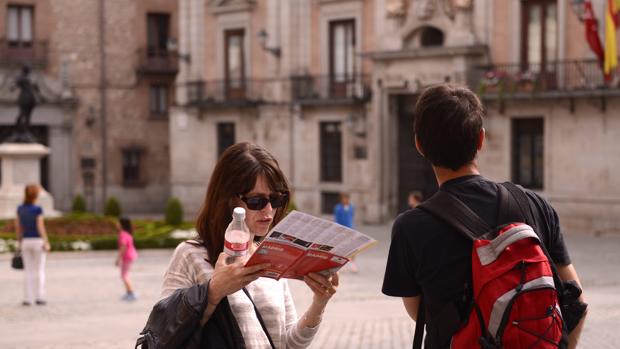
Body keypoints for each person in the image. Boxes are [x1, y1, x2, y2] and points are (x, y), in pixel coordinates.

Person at [382, 84, 586, 348]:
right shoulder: (534, 204)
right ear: (481, 139)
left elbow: (420, 312)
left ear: (419, 145)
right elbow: (577, 303)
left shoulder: (410, 227)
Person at [159, 142, 339, 348]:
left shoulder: (272, 255)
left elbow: (286, 344)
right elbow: (163, 334)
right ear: (228, 200)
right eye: (256, 201)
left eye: (276, 198)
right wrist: (214, 291)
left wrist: (319, 303)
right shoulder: (191, 255)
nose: (269, 210)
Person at [15, 184, 50, 306]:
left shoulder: (20, 208)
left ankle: (27, 298)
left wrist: (19, 242)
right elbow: (40, 227)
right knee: (39, 270)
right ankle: (40, 296)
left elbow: (18, 228)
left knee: (28, 271)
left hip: (25, 241)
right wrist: (46, 241)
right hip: (37, 241)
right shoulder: (37, 209)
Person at [333, 192, 358, 272]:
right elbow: (336, 220)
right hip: (342, 230)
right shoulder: (338, 208)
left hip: (350, 229)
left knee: (353, 247)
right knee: (342, 248)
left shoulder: (351, 207)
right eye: (344, 199)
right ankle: (341, 264)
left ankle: (353, 263)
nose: (346, 200)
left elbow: (351, 217)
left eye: (347, 198)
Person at [115, 217, 138, 301]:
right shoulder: (127, 233)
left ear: (122, 224)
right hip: (131, 256)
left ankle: (131, 293)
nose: (116, 224)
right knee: (125, 274)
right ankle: (129, 292)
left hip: (127, 256)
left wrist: (118, 259)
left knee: (124, 275)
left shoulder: (123, 234)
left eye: (118, 223)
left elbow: (123, 247)